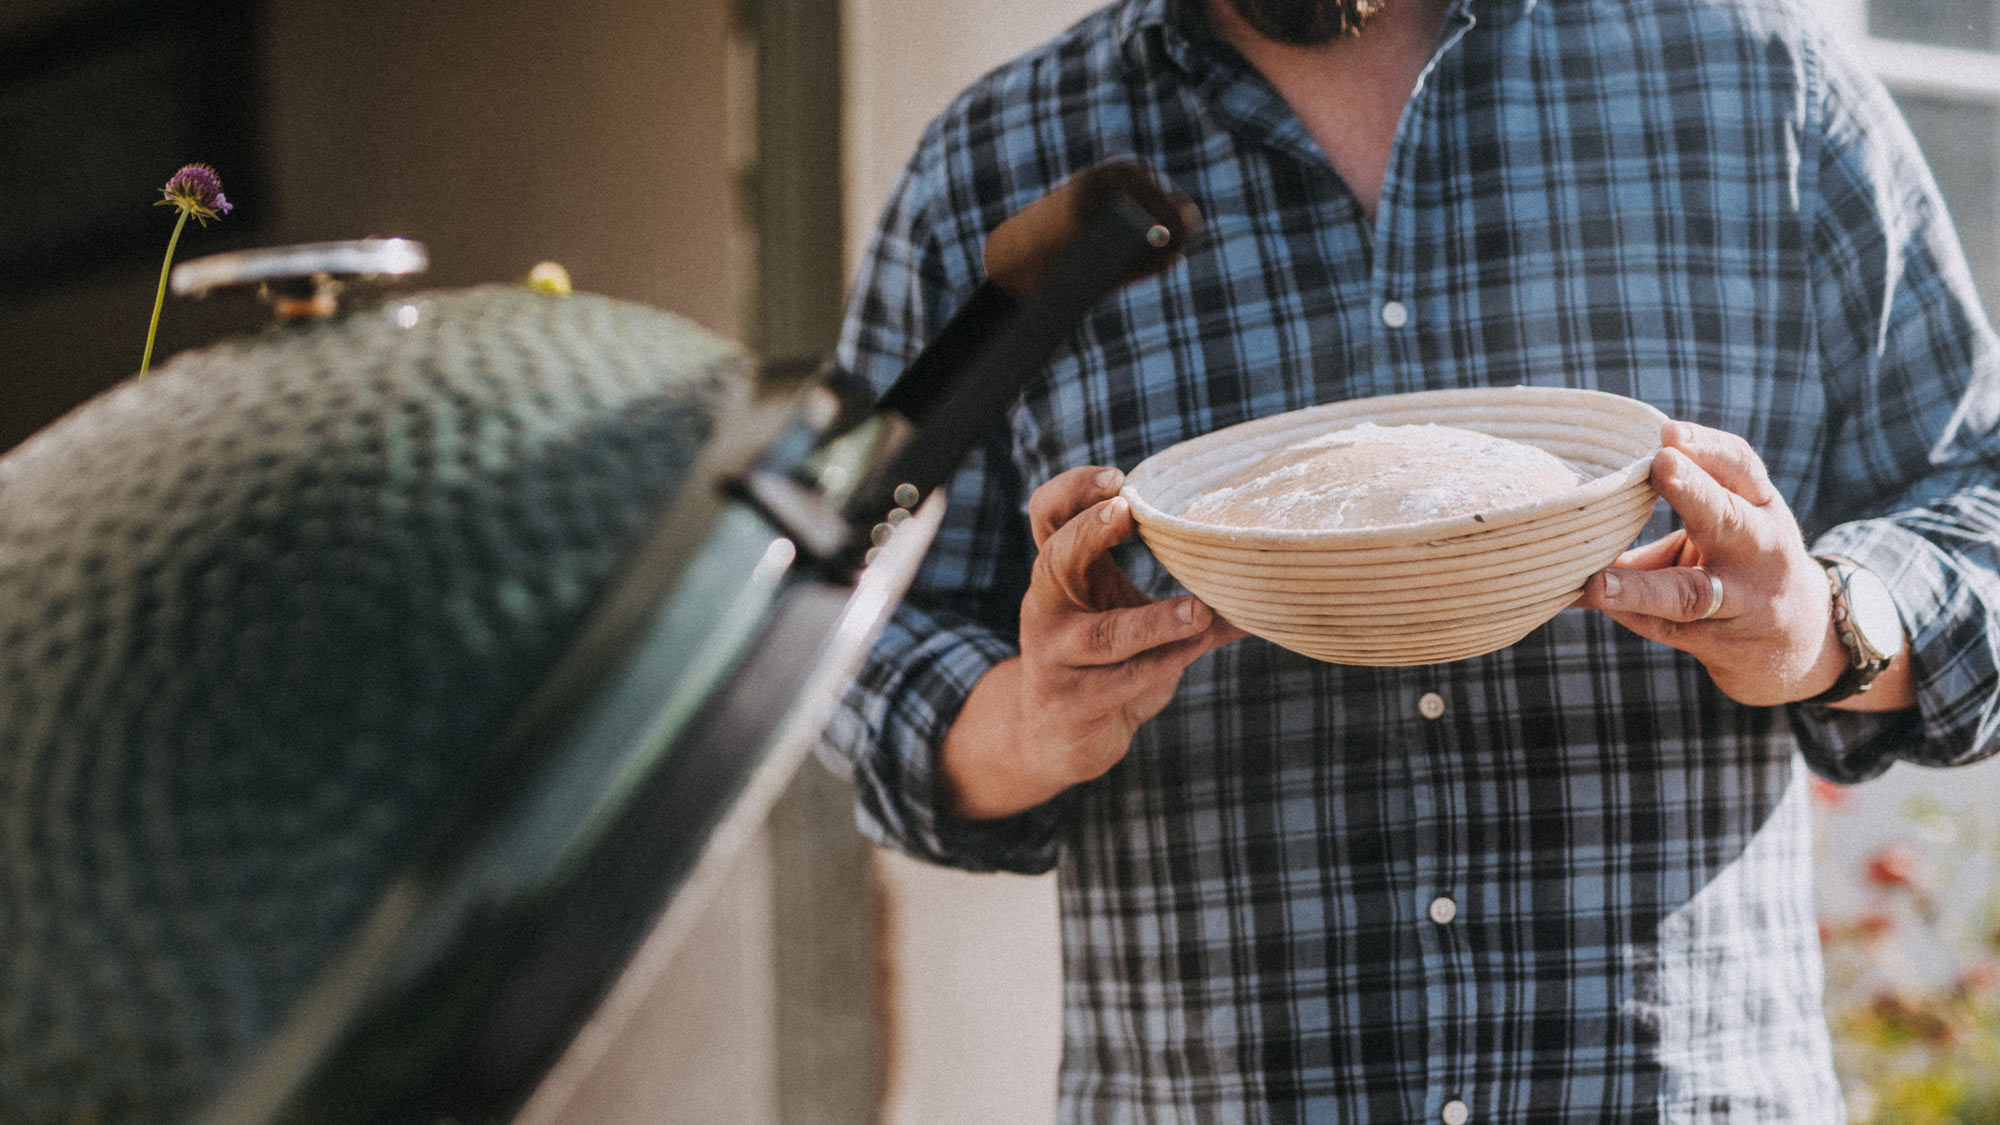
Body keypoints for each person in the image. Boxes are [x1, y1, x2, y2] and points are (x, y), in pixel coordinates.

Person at [816, 0, 2000, 1118]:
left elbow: (1977, 502)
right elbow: (843, 623)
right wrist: (1025, 722)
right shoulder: (998, 161)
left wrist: (1823, 628)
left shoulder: (1757, 85)